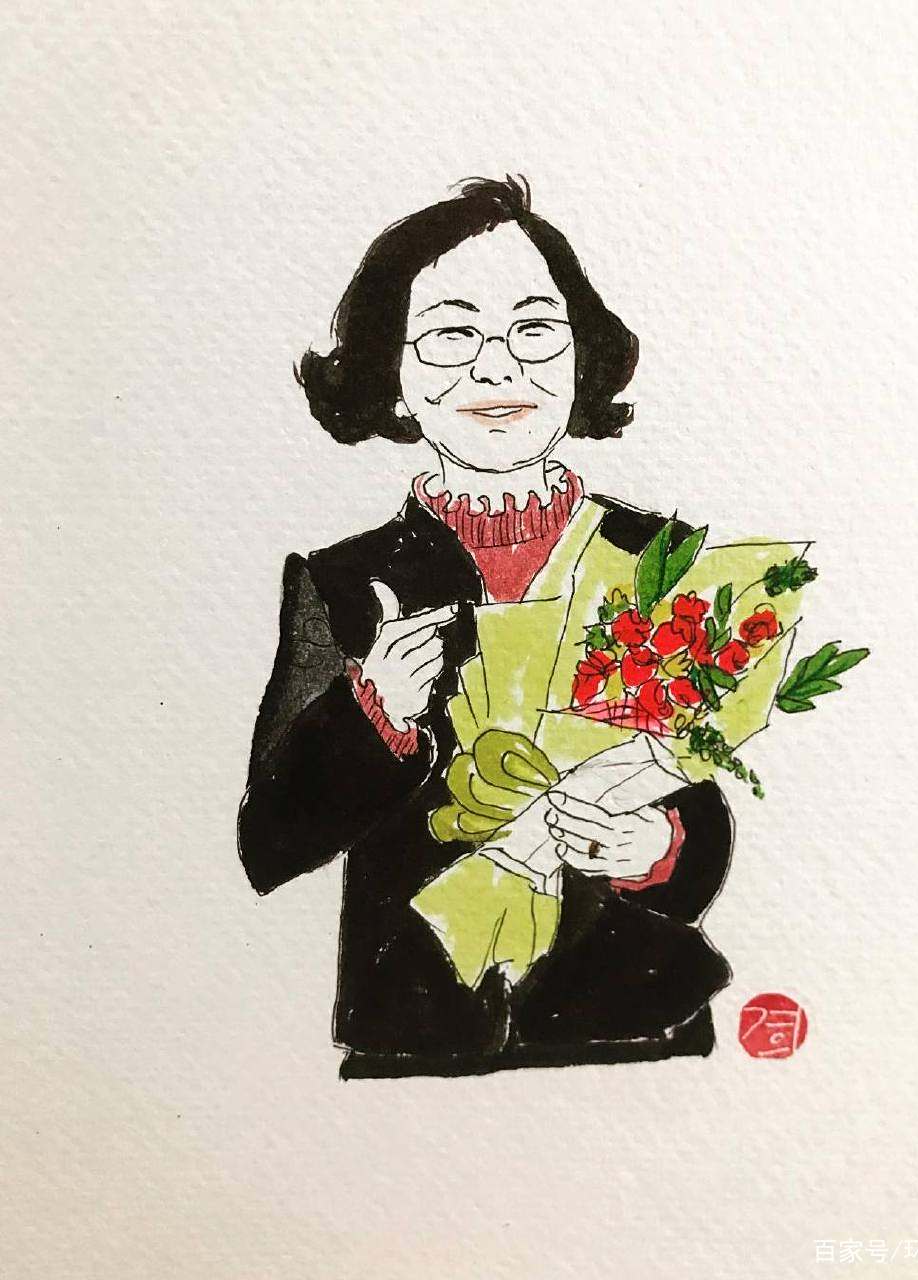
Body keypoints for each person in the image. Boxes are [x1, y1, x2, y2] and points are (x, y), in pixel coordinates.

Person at [237, 176, 734, 1079]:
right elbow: (267, 842)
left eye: (535, 329)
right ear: (392, 377)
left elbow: (706, 785)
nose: (498, 370)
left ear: (582, 357)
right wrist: (375, 713)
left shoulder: (657, 558)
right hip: (420, 1024)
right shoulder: (344, 582)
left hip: (631, 1024)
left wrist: (660, 849)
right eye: (452, 335)